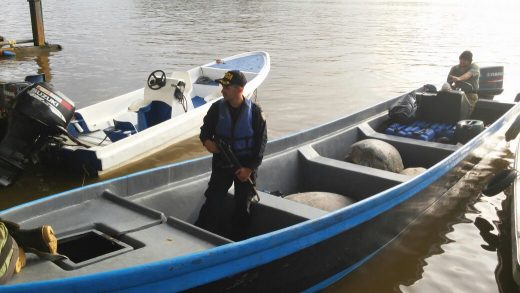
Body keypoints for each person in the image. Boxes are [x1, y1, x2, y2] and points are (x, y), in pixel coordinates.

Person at [195, 70, 267, 240]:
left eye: (226, 87)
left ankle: (238, 241)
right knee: (213, 201)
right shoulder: (216, 109)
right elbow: (204, 132)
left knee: (242, 207)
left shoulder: (255, 112)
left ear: (239, 90)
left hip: (245, 168)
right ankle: (199, 235)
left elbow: (261, 144)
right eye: (223, 86)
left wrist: (249, 169)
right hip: (222, 165)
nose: (222, 90)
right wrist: (207, 142)